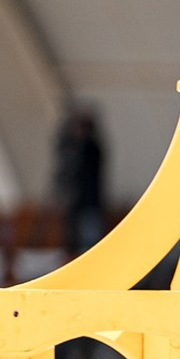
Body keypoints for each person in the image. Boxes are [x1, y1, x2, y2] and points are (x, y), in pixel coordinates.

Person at [53, 102, 108, 254]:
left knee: (90, 243)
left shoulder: (91, 148)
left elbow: (80, 170)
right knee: (76, 240)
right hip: (77, 203)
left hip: (89, 203)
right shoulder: (80, 148)